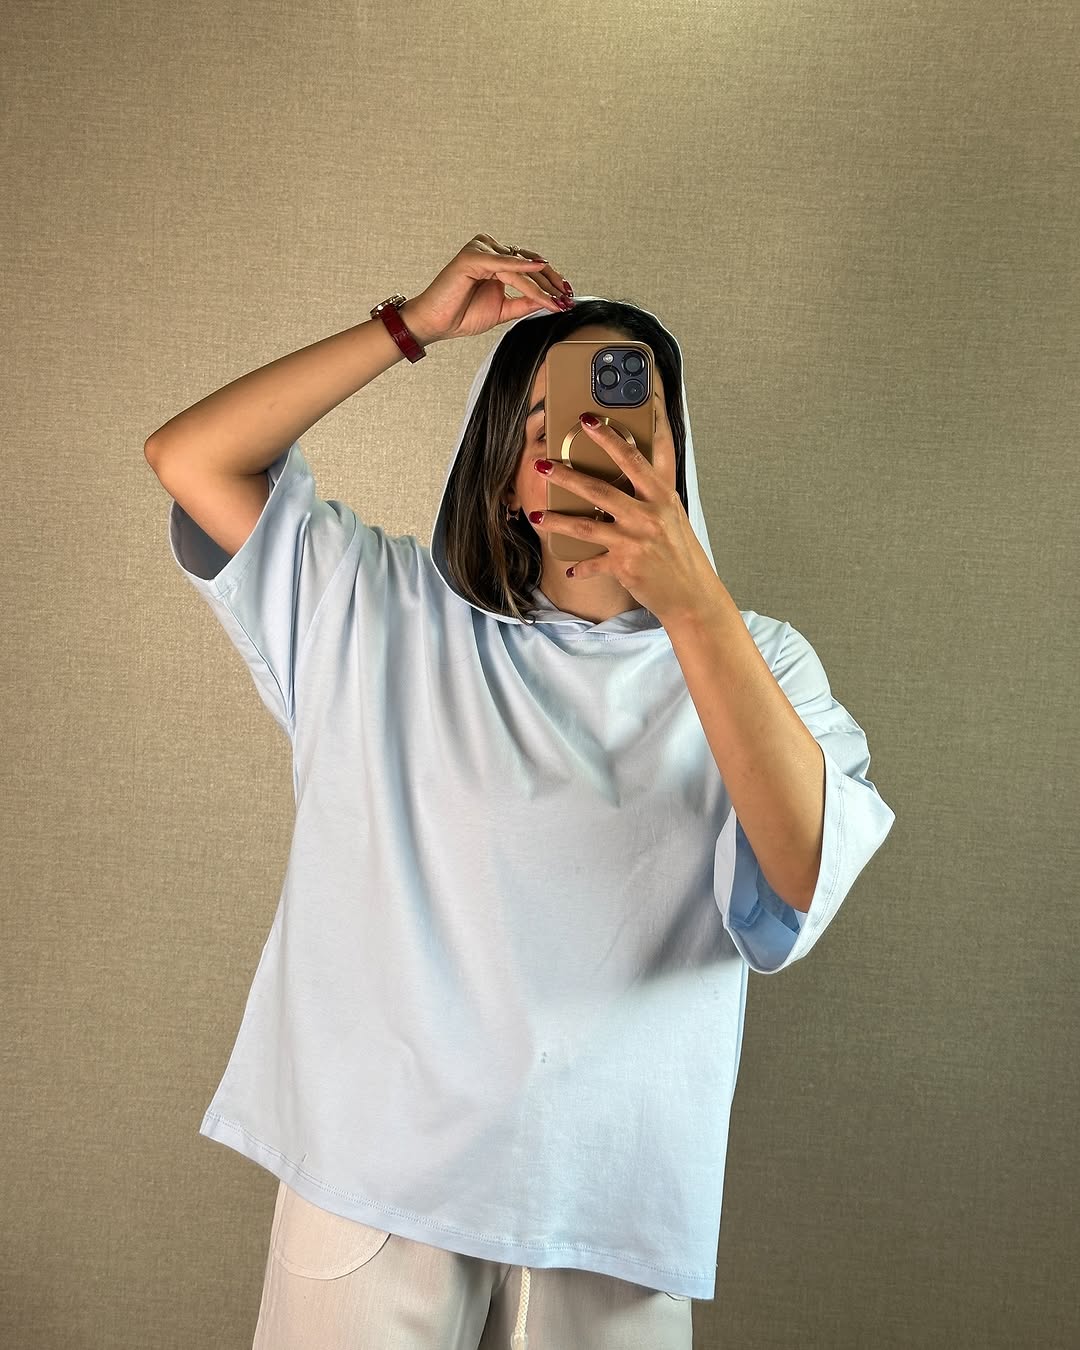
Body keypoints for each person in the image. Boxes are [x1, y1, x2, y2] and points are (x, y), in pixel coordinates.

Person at [146, 233, 896, 1349]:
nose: (582, 454)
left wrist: (692, 602)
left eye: (624, 428)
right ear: (503, 473)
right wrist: (409, 328)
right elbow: (192, 458)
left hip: (611, 1214)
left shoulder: (763, 664)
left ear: (678, 460)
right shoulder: (383, 614)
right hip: (372, 1186)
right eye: (544, 431)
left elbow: (798, 875)